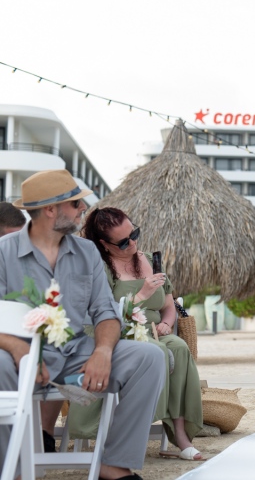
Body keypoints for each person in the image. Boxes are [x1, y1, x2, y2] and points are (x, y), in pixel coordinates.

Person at [0, 169, 164, 480]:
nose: (82, 209)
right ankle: (12, 467)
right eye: (76, 204)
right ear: (51, 210)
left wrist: (102, 351)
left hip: (76, 356)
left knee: (149, 357)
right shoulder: (3, 253)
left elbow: (104, 311)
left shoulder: (87, 252)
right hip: (16, 360)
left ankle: (115, 463)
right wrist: (19, 349)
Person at [76, 207, 205, 460]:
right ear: (104, 243)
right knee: (155, 351)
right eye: (124, 241)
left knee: (178, 347)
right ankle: (132, 429)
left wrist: (167, 323)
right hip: (119, 333)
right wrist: (141, 295)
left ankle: (180, 435)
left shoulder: (148, 259)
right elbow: (102, 311)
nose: (132, 242)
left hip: (155, 330)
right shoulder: (101, 266)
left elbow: (169, 305)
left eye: (134, 233)